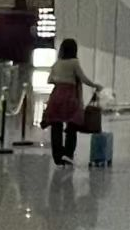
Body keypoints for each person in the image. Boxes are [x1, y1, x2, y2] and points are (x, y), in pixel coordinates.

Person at [40, 38, 103, 167]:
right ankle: (68, 154)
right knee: (72, 126)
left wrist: (60, 79)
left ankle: (58, 156)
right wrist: (95, 85)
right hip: (70, 97)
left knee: (56, 126)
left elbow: (50, 80)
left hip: (56, 96)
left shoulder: (57, 63)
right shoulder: (74, 62)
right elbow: (83, 78)